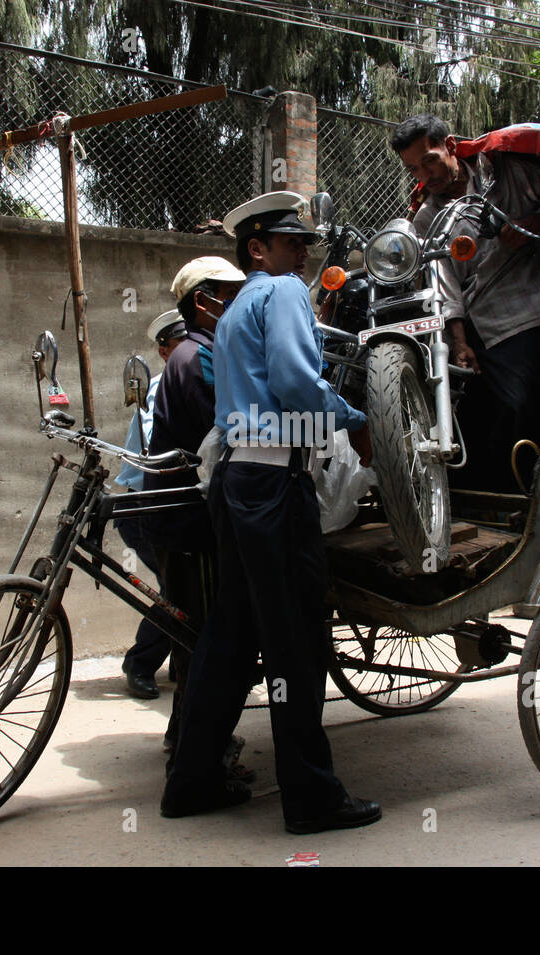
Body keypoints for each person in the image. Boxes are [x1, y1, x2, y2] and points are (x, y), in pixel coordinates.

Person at [161, 191, 381, 834]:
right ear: (258, 248)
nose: (303, 252)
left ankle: (192, 781)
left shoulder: (232, 311)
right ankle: (311, 798)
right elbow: (292, 381)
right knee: (297, 642)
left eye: (304, 242)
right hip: (272, 484)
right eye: (291, 242)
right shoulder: (281, 291)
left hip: (234, 483)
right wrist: (355, 419)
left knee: (230, 638)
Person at [391, 113, 540, 493]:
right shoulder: (428, 216)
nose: (426, 174)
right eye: (414, 169)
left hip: (529, 307)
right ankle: (490, 495)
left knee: (521, 403)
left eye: (430, 160)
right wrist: (459, 342)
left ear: (452, 147)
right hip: (476, 321)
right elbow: (444, 284)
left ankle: (531, 491)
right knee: (469, 410)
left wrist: (535, 223)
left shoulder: (506, 173)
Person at [143, 257, 246, 761]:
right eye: (231, 295)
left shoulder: (194, 352)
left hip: (180, 513)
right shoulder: (198, 357)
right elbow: (222, 432)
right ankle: (201, 750)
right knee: (204, 631)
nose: (240, 304)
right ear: (203, 303)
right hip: (190, 517)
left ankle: (184, 733)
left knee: (192, 629)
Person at [115, 310, 186, 700]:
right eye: (181, 343)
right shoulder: (163, 388)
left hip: (165, 505)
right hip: (146, 508)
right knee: (176, 591)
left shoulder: (189, 380)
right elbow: (159, 450)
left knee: (187, 587)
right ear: (163, 351)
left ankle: (182, 657)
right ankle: (140, 663)